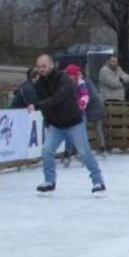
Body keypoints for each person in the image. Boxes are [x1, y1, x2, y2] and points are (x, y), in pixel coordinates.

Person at [29, 54, 106, 196]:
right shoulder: (40, 83)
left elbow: (58, 97)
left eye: (43, 66)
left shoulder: (62, 78)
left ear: (51, 65)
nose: (41, 69)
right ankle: (49, 181)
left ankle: (98, 182)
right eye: (39, 67)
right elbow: (35, 96)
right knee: (46, 151)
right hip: (56, 125)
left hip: (73, 122)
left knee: (84, 152)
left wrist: (38, 105)